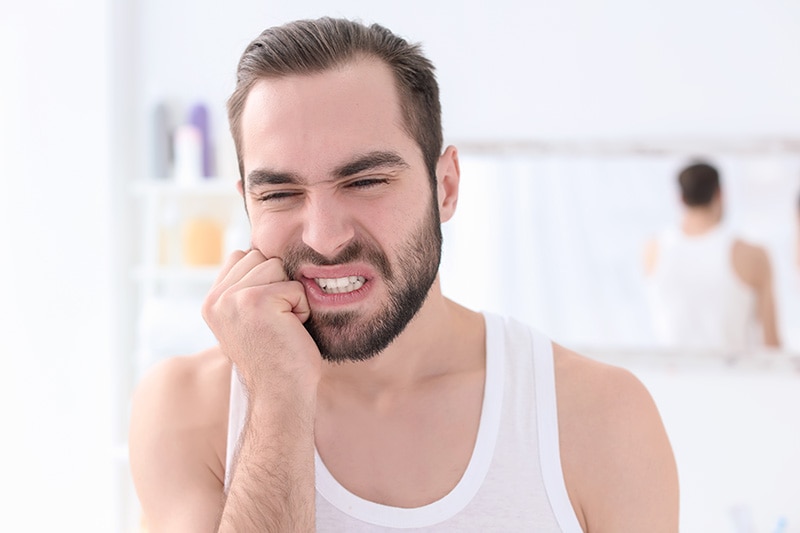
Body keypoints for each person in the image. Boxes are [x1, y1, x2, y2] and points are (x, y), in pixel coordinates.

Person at [129, 17, 678, 532]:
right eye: (279, 193)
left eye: (365, 181)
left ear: (446, 187)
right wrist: (276, 399)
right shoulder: (186, 410)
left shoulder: (597, 417)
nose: (323, 236)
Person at [643, 161, 780, 351]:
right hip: (737, 378)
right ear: (720, 194)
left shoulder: (652, 249)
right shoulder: (753, 255)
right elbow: (772, 345)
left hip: (670, 377)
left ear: (680, 198)